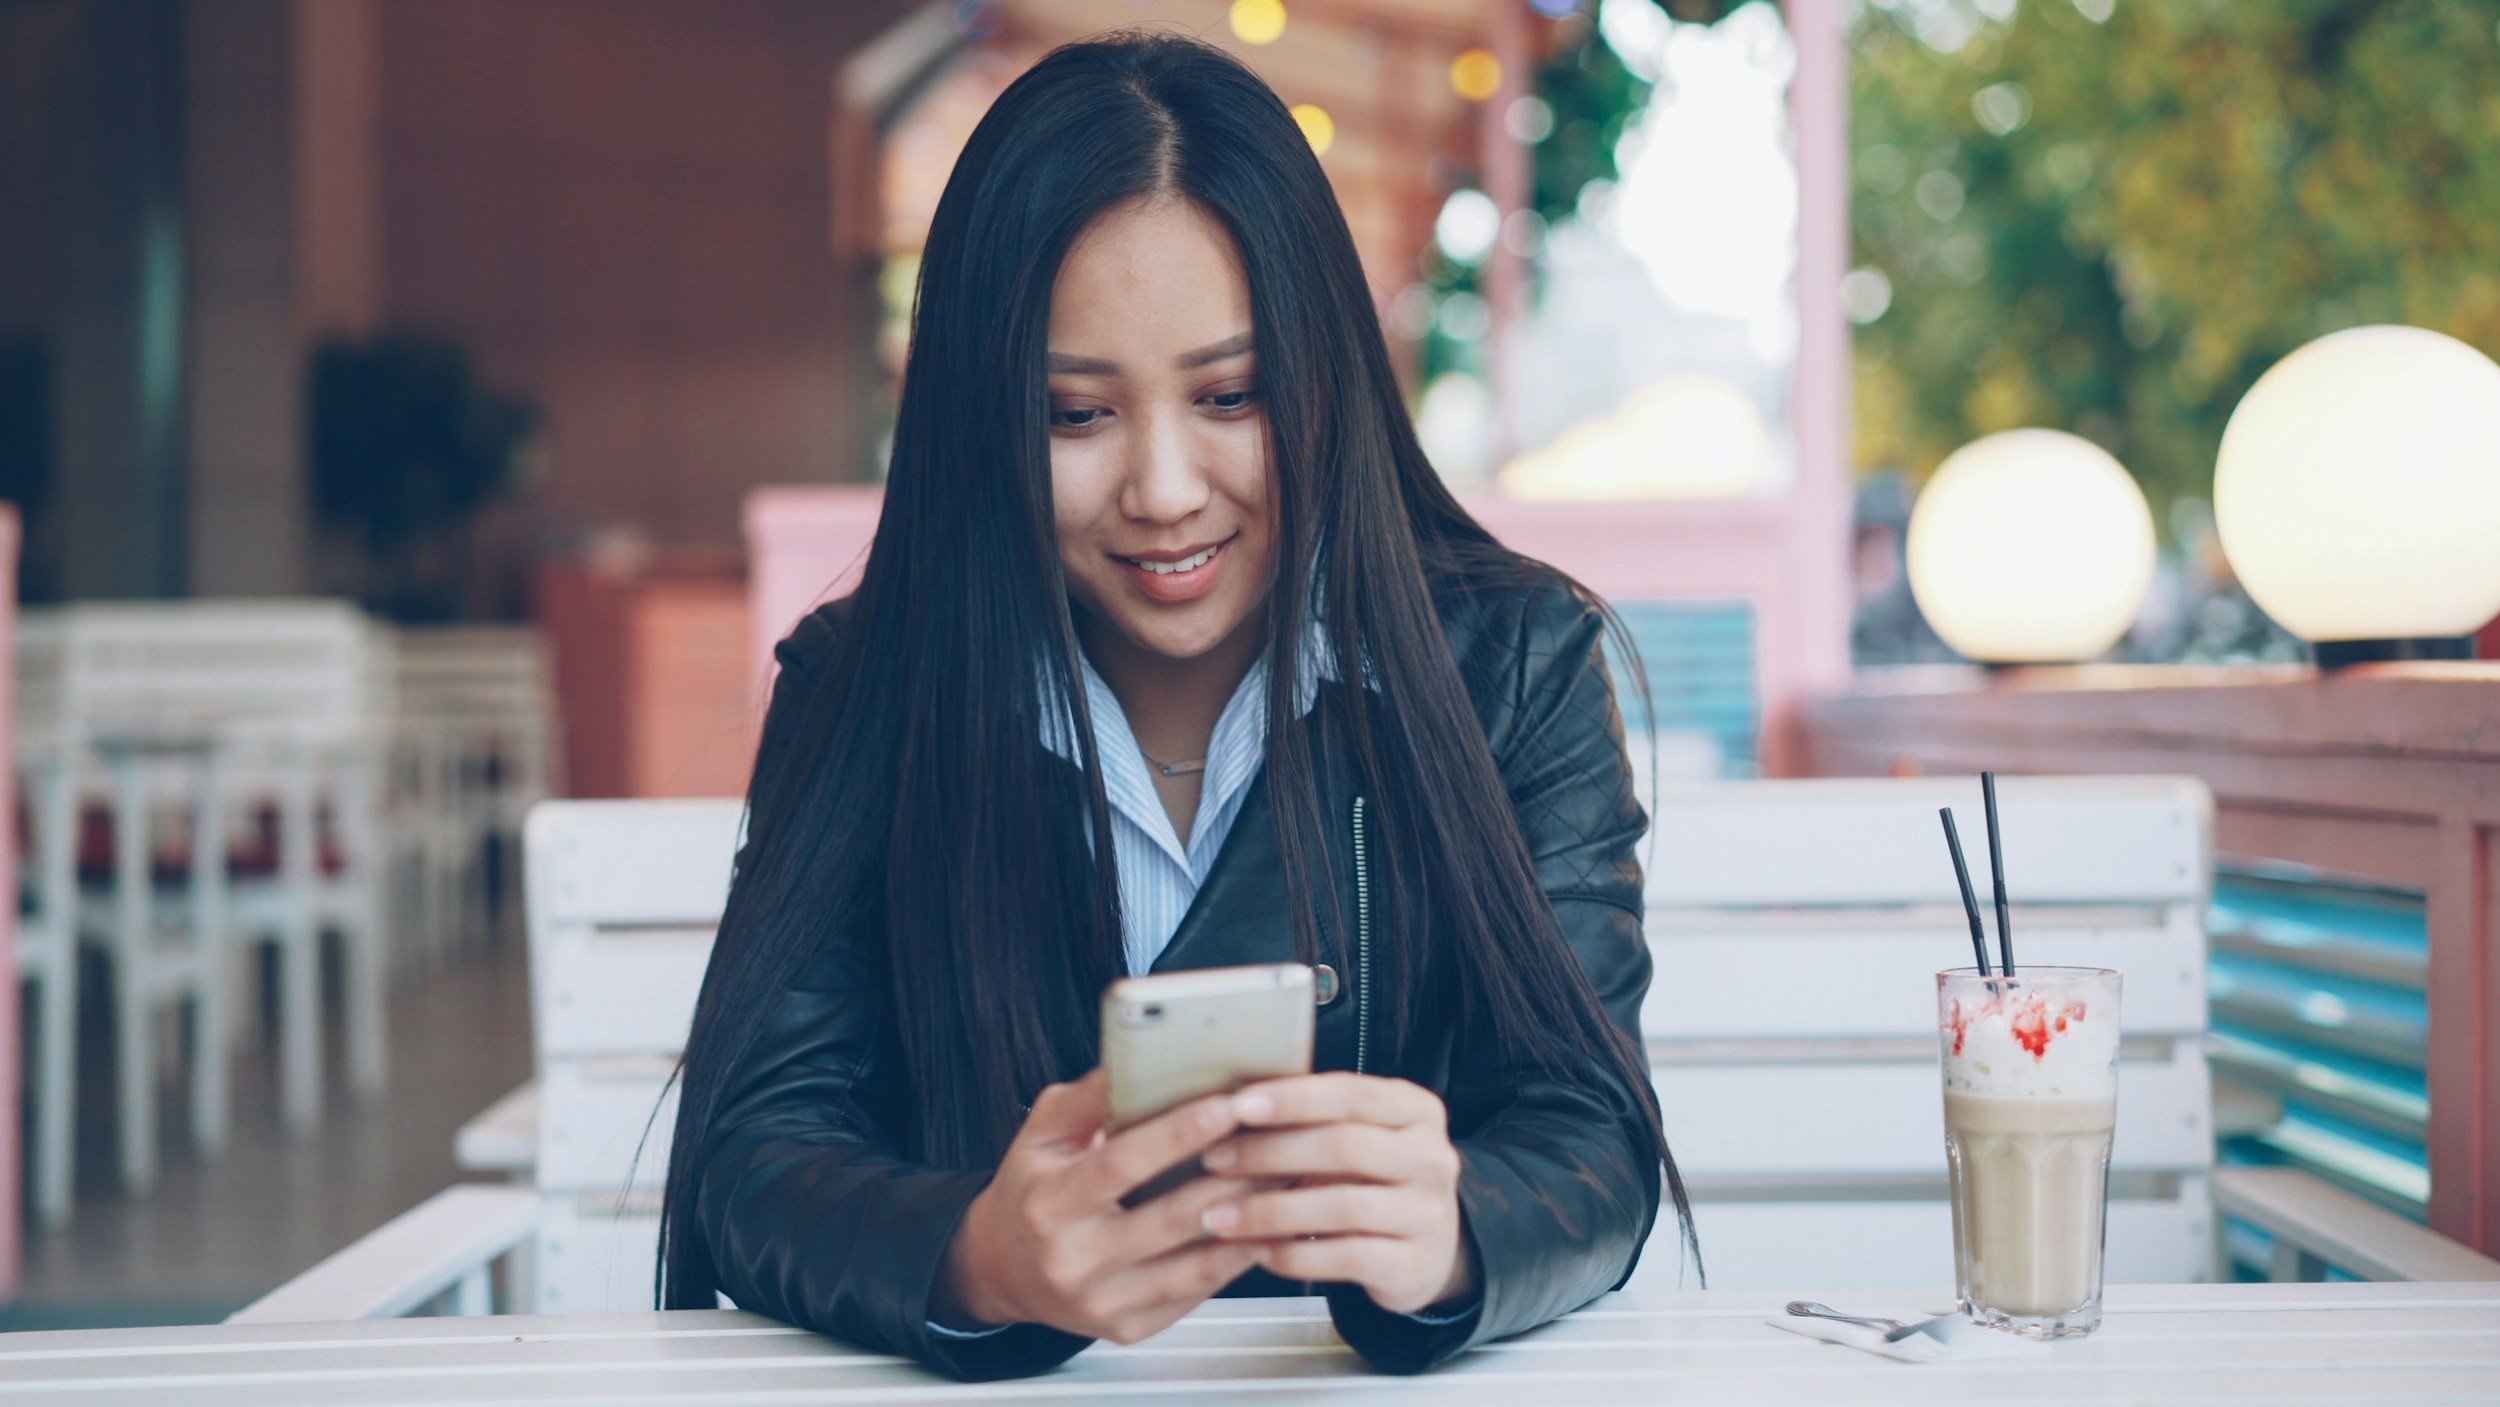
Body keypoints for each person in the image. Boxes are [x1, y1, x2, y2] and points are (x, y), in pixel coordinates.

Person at [658, 30, 1695, 1382]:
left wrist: (1449, 1235)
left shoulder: (1517, 663)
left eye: (1231, 396)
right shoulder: (866, 688)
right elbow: (756, 1152)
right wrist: (977, 1257)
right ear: (978, 420)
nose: (1160, 488)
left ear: (1327, 376)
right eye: (1074, 415)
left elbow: (1592, 1134)